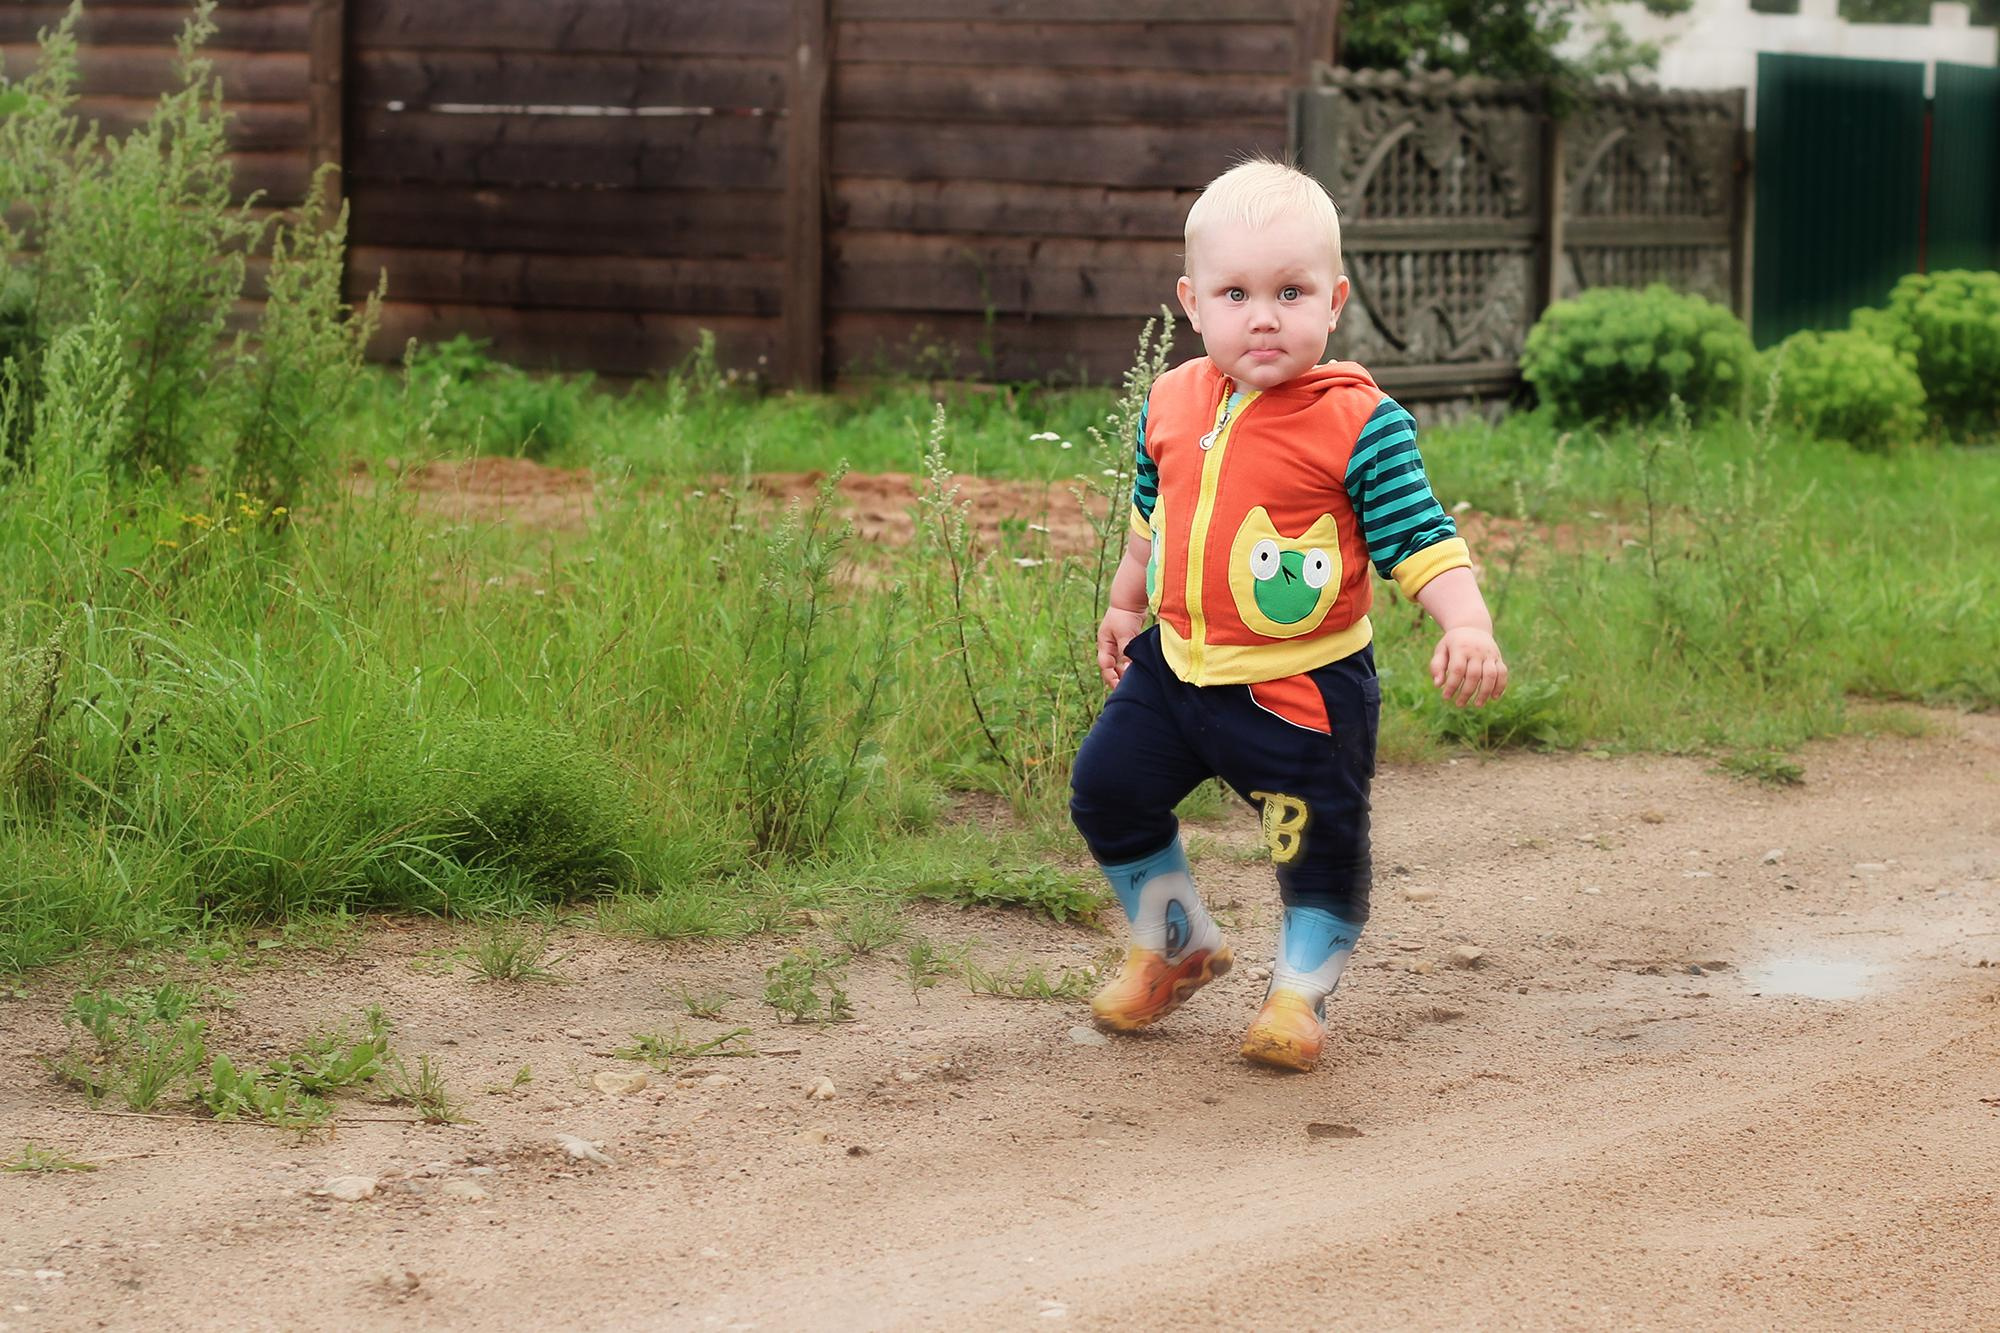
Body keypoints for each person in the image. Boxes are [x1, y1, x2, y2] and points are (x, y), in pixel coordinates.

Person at [1069, 158, 1508, 1073]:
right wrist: (1122, 602)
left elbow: (1420, 538)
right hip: (1178, 667)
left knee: (1315, 845)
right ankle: (1178, 943)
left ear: (1334, 300)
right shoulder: (1172, 398)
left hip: (1300, 691)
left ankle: (1297, 998)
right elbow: (1153, 514)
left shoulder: (1359, 422)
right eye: (1236, 293)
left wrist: (1466, 623)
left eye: (1290, 291)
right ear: (1192, 303)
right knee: (1108, 789)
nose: (1262, 316)